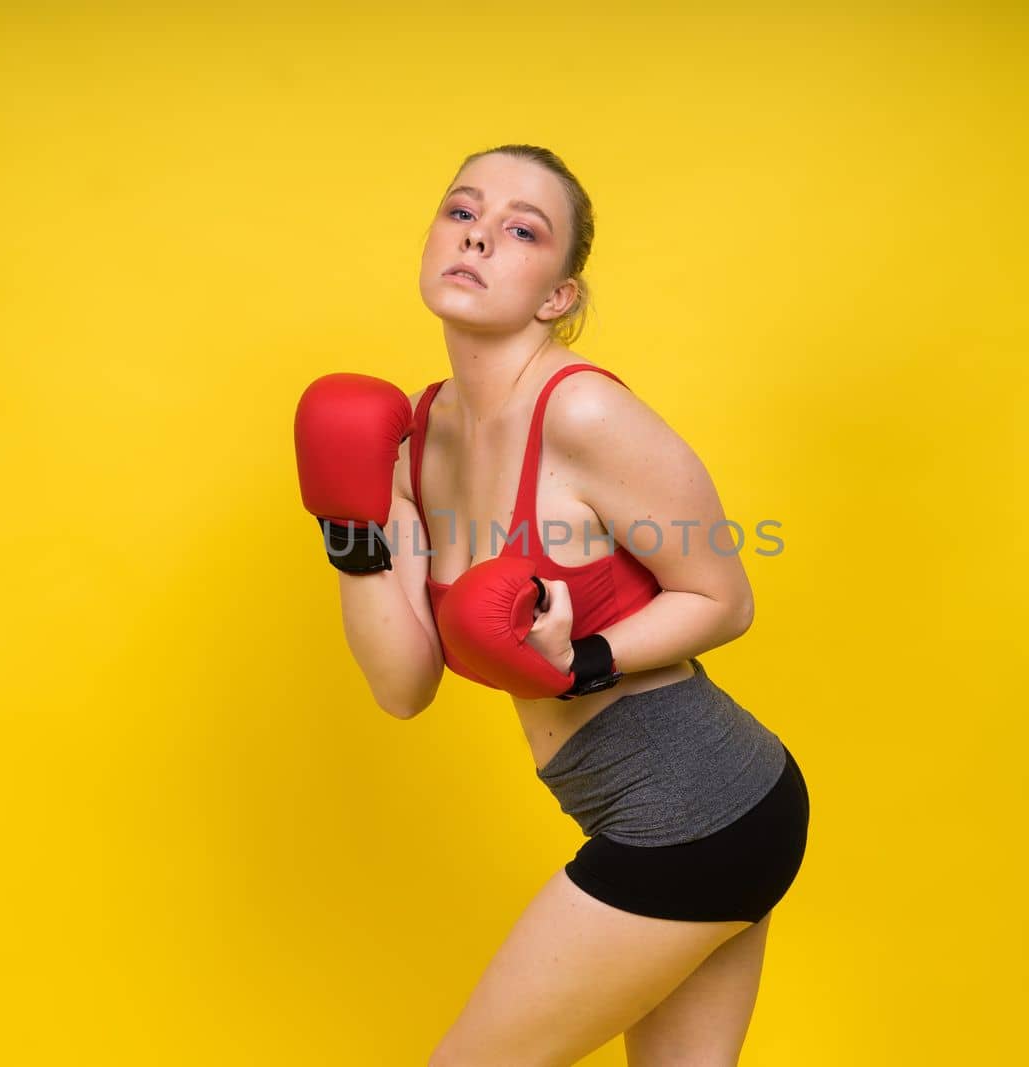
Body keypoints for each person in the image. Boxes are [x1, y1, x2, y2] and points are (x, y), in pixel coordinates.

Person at [294, 144, 809, 1066]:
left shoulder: (584, 418)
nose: (480, 235)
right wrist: (351, 526)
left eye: (521, 230)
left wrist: (586, 659)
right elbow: (403, 686)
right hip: (667, 810)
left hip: (694, 805)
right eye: (462, 212)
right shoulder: (411, 446)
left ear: (556, 296)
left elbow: (725, 598)